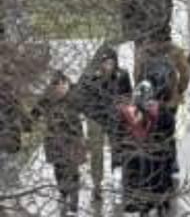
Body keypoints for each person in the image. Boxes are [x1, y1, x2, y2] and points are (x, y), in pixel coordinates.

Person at [78, 45, 133, 201]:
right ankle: (97, 184)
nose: (108, 66)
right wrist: (91, 114)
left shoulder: (123, 75)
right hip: (96, 118)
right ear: (99, 63)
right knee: (97, 151)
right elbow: (82, 100)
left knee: (118, 148)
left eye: (111, 62)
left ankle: (118, 181)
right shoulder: (89, 77)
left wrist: (122, 106)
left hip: (115, 116)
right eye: (105, 62)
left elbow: (128, 94)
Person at [117, 80, 177, 214]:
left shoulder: (160, 112)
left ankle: (152, 204)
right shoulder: (158, 111)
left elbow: (168, 133)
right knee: (148, 180)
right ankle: (151, 204)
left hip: (153, 155)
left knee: (152, 180)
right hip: (146, 156)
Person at [32, 71, 85, 216]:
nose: (61, 88)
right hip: (54, 140)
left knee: (73, 170)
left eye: (63, 84)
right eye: (57, 85)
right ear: (52, 86)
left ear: (67, 83)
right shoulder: (47, 99)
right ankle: (63, 194)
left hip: (73, 140)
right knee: (59, 169)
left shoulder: (74, 96)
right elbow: (34, 115)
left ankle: (74, 200)